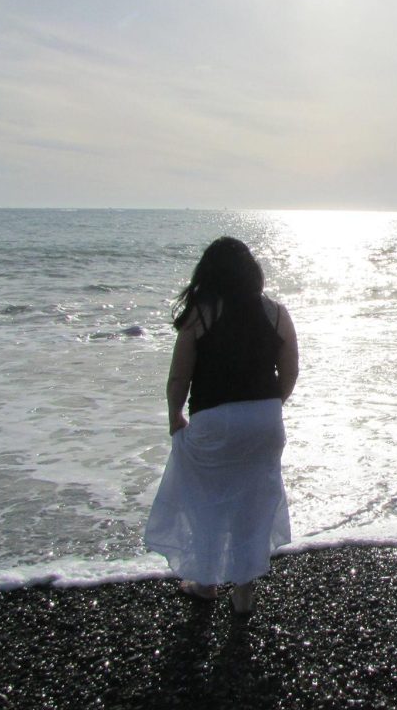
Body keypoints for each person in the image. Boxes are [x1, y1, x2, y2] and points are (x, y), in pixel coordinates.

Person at [144, 237, 299, 617]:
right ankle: (243, 593)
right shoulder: (276, 312)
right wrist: (269, 407)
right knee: (252, 505)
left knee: (206, 500)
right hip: (265, 420)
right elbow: (291, 371)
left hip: (216, 421)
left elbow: (179, 378)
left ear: (208, 274)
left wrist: (174, 417)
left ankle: (207, 582)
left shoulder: (201, 314)